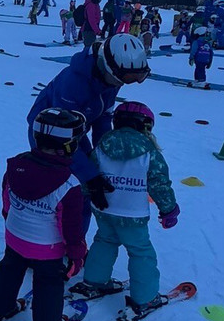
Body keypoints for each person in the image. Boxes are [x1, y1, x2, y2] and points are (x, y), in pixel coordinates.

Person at [0, 109, 87, 321]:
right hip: (47, 249)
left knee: (9, 269)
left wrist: (10, 220)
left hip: (15, 236)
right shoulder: (69, 185)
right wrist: (77, 255)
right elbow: (71, 229)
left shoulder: (17, 165)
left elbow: (7, 200)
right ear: (69, 146)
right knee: (48, 283)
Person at [26, 34, 151, 232]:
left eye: (134, 78)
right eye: (126, 78)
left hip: (75, 130)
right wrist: (90, 176)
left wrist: (105, 153)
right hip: (48, 134)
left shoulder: (112, 79)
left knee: (84, 190)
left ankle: (75, 240)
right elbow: (60, 139)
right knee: (64, 184)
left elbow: (103, 118)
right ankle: (42, 234)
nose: (126, 83)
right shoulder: (73, 83)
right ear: (109, 67)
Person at [69, 102, 179, 321]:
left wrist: (87, 195)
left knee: (104, 241)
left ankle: (94, 281)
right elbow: (159, 184)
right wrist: (169, 210)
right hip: (133, 214)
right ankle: (145, 297)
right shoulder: (148, 151)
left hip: (104, 209)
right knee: (140, 251)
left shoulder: (102, 145)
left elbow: (89, 173)